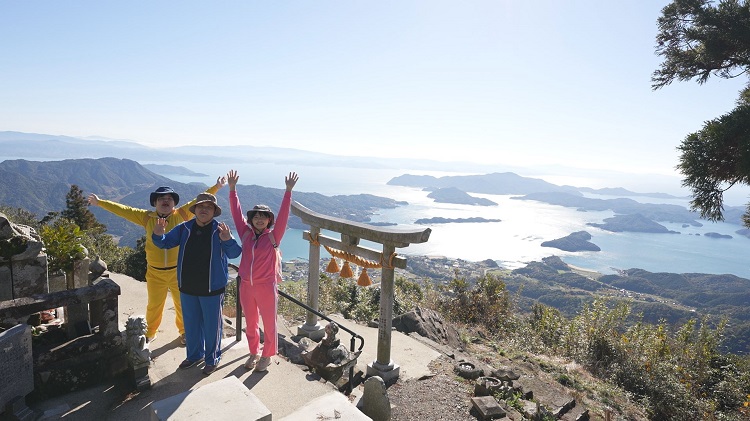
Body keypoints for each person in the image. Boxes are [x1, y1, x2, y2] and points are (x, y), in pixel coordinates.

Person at [88, 178, 225, 344]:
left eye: (169, 199)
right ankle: (150, 332)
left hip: (178, 271)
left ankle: (185, 332)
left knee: (182, 305)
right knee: (154, 305)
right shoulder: (146, 218)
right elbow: (123, 210)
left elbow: (200, 200)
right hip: (155, 272)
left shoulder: (181, 214)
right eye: (161, 199)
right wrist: (100, 202)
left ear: (174, 203)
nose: (165, 201)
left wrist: (216, 187)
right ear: (155, 202)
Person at [152, 192, 241, 375]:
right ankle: (194, 355)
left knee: (212, 327)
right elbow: (165, 243)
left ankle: (212, 358)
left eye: (208, 207)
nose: (204, 210)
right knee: (191, 324)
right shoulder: (184, 228)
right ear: (195, 209)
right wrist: (158, 234)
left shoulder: (220, 230)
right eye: (201, 206)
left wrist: (228, 240)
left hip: (212, 288)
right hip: (187, 286)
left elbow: (234, 254)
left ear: (214, 211)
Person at [227, 169, 298, 372]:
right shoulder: (245, 233)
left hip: (267, 285)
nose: (259, 219)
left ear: (269, 220)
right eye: (256, 216)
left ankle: (267, 355)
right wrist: (232, 190)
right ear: (251, 220)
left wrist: (288, 192)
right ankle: (253, 352)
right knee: (250, 322)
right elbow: (236, 213)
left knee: (269, 323)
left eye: (263, 217)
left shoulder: (274, 237)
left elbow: (284, 215)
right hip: (246, 286)